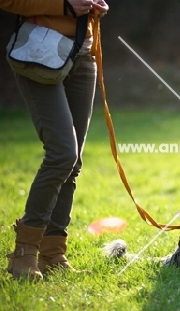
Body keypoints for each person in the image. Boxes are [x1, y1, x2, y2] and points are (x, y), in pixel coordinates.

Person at [0, 0, 109, 281]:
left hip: (83, 55)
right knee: (62, 153)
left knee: (72, 163)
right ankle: (24, 252)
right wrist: (65, 5)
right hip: (41, 49)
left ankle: (53, 253)